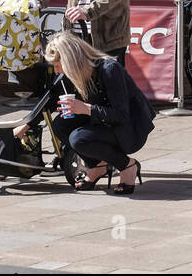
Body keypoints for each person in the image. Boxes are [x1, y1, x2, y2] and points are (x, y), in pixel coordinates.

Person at [43, 31, 154, 194]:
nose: (57, 71)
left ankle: (127, 165)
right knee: (60, 125)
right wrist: (27, 124)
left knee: (78, 138)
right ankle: (98, 166)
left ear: (70, 61)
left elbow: (122, 115)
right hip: (104, 123)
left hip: (130, 130)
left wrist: (86, 109)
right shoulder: (77, 74)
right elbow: (51, 99)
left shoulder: (110, 69)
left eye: (58, 66)